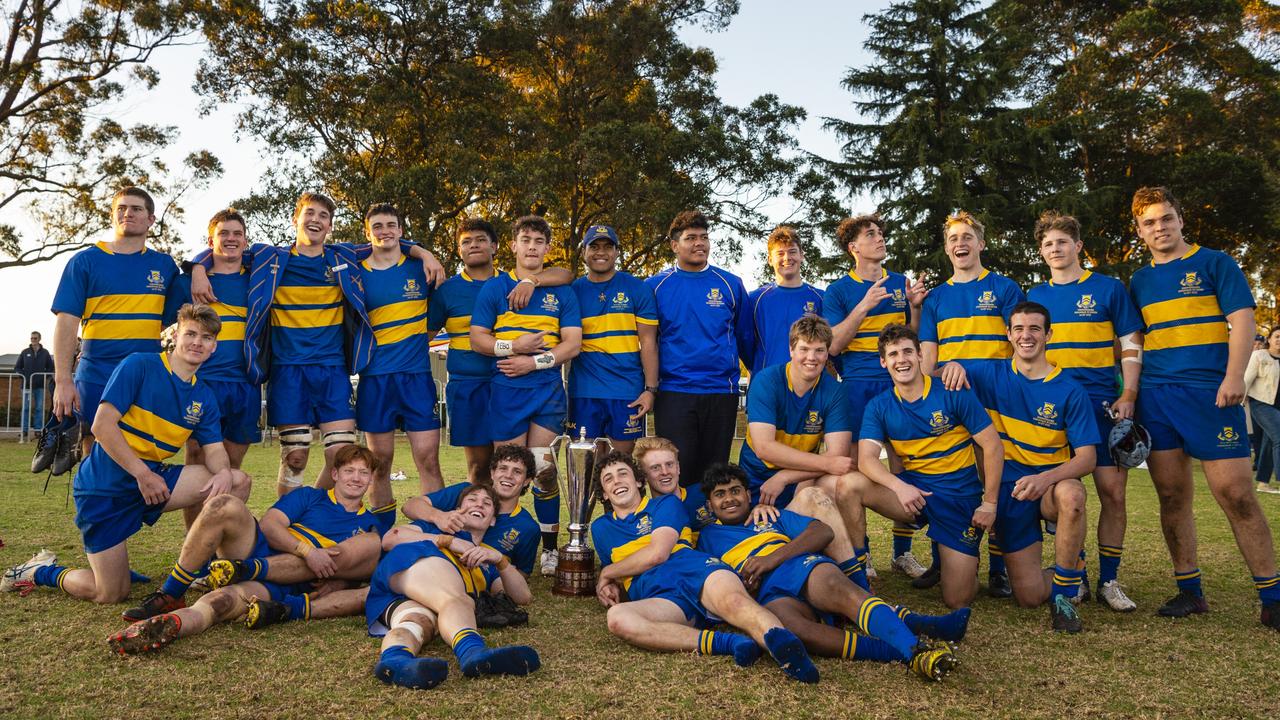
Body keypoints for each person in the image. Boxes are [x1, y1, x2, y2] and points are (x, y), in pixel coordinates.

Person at [188, 191, 444, 498]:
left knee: (342, 455)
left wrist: (424, 252)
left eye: (324, 216)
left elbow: (385, 242)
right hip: (288, 372)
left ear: (330, 226)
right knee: (295, 458)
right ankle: (288, 517)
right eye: (310, 214)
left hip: (332, 371)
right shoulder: (270, 258)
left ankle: (310, 509)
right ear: (296, 219)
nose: (316, 220)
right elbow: (224, 250)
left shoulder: (343, 258)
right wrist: (197, 268)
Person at [2, 304, 251, 604]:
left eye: (207, 337)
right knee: (109, 593)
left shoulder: (204, 397)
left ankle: (215, 570)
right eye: (191, 334)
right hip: (104, 487)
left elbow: (213, 451)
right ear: (175, 336)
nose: (198, 342)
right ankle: (42, 571)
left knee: (236, 481)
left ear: (214, 347)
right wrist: (142, 475)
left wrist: (223, 470)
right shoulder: (140, 366)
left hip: (152, 480)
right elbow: (102, 426)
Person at [1128, 187, 1280, 629]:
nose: (1160, 227)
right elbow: (1136, 339)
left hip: (1212, 394)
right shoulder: (1139, 280)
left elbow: (1243, 321)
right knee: (1172, 495)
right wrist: (1134, 393)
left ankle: (1271, 596)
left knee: (1236, 493)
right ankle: (1190, 591)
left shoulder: (1215, 262)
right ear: (1140, 231)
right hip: (1158, 396)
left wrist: (1235, 377)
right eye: (1150, 222)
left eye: (1166, 218)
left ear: (1180, 218)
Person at [106, 445, 394, 652]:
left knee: (221, 602)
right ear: (335, 474)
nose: (356, 478)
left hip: (289, 585)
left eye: (363, 473)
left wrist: (338, 580)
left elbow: (361, 567)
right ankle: (170, 592)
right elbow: (270, 525)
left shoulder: (370, 525)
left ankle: (172, 623)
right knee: (223, 505)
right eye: (349, 471)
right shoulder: (310, 496)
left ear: (371, 479)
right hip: (259, 551)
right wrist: (307, 551)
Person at [696, 463, 964, 681]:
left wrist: (771, 558)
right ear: (709, 505)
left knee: (836, 586)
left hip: (799, 566)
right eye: (720, 494)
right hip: (768, 593)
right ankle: (894, 649)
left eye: (735, 490)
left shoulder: (768, 516)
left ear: (747, 494)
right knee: (794, 629)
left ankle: (914, 651)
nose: (730, 498)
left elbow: (822, 531)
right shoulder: (706, 537)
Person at [589, 451, 819, 683]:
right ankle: (729, 643)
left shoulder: (664, 504)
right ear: (605, 494)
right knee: (617, 618)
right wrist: (610, 585)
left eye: (623, 474)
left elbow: (657, 554)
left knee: (736, 603)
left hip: (696, 571)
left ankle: (786, 649)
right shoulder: (600, 528)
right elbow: (618, 573)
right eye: (608, 479)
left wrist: (606, 573)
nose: (617, 481)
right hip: (660, 596)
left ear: (638, 481)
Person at [954, 302, 1099, 633]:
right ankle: (1073, 567)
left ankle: (1064, 597)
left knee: (1072, 495)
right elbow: (941, 369)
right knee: (1029, 596)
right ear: (1008, 334)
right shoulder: (990, 373)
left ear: (1048, 334)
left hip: (1049, 485)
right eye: (1018, 329)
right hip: (1009, 490)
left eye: (1034, 328)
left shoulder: (1070, 389)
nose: (1026, 335)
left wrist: (1044, 478)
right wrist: (953, 367)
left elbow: (1087, 458)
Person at [1026, 211, 1145, 611]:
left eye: (1062, 242)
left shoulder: (1109, 289)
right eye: (1047, 244)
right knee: (1064, 494)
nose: (1055, 249)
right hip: (1053, 409)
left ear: (1078, 246)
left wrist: (1128, 391)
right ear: (1041, 253)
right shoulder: (1035, 296)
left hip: (1102, 405)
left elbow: (1130, 343)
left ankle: (1109, 581)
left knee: (1112, 493)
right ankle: (1072, 575)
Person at [855, 324, 1002, 609]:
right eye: (893, 354)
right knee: (848, 485)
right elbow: (865, 459)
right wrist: (900, 486)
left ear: (920, 354)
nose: (902, 360)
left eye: (908, 351)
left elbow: (992, 445)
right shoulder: (879, 405)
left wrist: (990, 503)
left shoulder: (952, 391)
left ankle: (959, 559)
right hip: (915, 493)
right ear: (884, 361)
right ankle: (857, 572)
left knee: (958, 599)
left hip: (958, 496)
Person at [917, 210, 1024, 597]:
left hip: (997, 398)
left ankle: (999, 568)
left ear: (981, 243)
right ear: (946, 249)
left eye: (967, 237)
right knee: (947, 477)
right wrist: (944, 372)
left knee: (994, 479)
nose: (959, 244)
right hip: (951, 400)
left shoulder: (1004, 288)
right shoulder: (937, 298)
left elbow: (1023, 343)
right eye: (952, 239)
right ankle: (943, 558)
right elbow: (928, 357)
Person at [470, 215, 582, 576]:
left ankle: (549, 549)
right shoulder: (494, 287)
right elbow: (478, 339)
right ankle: (498, 544)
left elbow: (573, 344)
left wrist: (534, 363)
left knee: (545, 471)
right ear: (513, 246)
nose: (532, 246)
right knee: (508, 474)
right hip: (506, 392)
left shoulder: (562, 291)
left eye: (539, 241)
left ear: (547, 248)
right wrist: (511, 346)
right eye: (525, 240)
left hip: (546, 391)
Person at [822, 214, 930, 579]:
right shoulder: (837, 290)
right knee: (854, 472)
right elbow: (834, 344)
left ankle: (903, 553)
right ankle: (861, 554)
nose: (880, 238)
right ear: (854, 248)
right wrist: (864, 305)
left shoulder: (902, 283)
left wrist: (914, 306)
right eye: (871, 234)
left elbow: (911, 338)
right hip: (856, 386)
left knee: (905, 464)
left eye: (881, 233)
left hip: (898, 386)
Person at [429, 219, 573, 487]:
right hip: (470, 385)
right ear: (458, 249)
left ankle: (526, 524)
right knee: (482, 467)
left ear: (496, 246)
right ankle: (487, 522)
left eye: (481, 240)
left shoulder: (514, 282)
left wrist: (531, 280)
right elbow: (427, 338)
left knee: (532, 467)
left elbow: (566, 274)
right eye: (466, 241)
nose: (474, 245)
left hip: (511, 382)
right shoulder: (448, 290)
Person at [738, 316, 879, 587]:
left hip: (798, 480)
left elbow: (838, 457)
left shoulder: (834, 390)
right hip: (757, 482)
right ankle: (842, 574)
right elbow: (765, 448)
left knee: (838, 483)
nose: (811, 358)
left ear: (828, 353)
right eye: (804, 349)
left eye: (819, 350)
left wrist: (786, 476)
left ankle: (858, 563)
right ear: (791, 349)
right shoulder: (768, 380)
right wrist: (784, 475)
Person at [50, 187, 181, 461]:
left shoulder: (165, 266)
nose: (127, 213)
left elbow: (167, 317)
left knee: (141, 449)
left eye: (136, 209)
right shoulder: (85, 262)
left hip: (146, 373)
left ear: (151, 220)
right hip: (96, 370)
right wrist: (63, 379)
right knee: (93, 451)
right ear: (112, 215)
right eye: (121, 208)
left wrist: (200, 270)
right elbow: (66, 322)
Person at [366, 484, 539, 690]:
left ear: (492, 520)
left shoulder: (484, 560)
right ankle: (473, 652)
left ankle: (395, 660)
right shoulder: (433, 528)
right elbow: (391, 538)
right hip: (408, 567)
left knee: (417, 621)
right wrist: (448, 541)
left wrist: (501, 561)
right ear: (457, 510)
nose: (479, 504)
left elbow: (522, 597)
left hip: (407, 600)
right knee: (457, 599)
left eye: (487, 503)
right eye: (472, 499)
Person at [646, 210, 754, 490]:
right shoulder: (655, 287)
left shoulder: (730, 284)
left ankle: (709, 533)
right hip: (674, 392)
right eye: (691, 238)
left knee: (715, 471)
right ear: (674, 245)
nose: (699, 243)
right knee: (676, 469)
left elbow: (744, 338)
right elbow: (646, 341)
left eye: (704, 237)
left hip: (721, 391)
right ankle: (677, 531)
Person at [356, 203, 443, 495]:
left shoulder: (422, 268)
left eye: (391, 225)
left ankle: (434, 533)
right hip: (375, 378)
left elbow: (438, 316)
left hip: (416, 377)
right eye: (377, 226)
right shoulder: (356, 272)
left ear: (401, 231)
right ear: (367, 233)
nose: (385, 231)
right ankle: (380, 532)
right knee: (379, 463)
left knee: (429, 460)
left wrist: (424, 253)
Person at [165, 209, 261, 471]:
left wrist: (197, 264)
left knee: (230, 466)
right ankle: (198, 516)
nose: (231, 239)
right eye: (223, 233)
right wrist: (197, 268)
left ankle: (223, 514)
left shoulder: (259, 278)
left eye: (237, 234)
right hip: (201, 381)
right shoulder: (188, 283)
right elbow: (157, 324)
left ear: (245, 240)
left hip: (245, 384)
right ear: (210, 242)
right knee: (197, 461)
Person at [568, 224, 659, 454]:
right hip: (584, 391)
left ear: (617, 252)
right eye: (594, 246)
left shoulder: (638, 288)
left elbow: (648, 343)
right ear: (584, 252)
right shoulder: (572, 291)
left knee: (621, 463)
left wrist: (650, 389)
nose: (601, 252)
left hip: (626, 392)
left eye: (608, 247)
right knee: (586, 467)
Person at [402, 444, 541, 577]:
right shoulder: (467, 492)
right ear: (492, 473)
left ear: (527, 480)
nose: (508, 476)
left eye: (517, 472)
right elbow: (409, 506)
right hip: (426, 567)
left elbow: (522, 574)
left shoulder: (527, 528)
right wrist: (438, 517)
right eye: (503, 468)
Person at [746, 226, 824, 373]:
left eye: (792, 252)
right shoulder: (754, 299)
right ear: (770, 259)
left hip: (809, 383)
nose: (787, 258)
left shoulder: (820, 297)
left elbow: (829, 346)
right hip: (768, 382)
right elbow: (745, 343)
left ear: (802, 255)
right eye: (780, 253)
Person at [633, 436, 715, 538]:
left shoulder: (705, 492)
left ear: (678, 467)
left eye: (669, 464)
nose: (665, 472)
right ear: (644, 476)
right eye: (655, 468)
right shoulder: (643, 517)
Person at [1245, 328, 1280, 495]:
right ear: (1270, 339)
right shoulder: (1259, 356)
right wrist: (1238, 401)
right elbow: (1246, 379)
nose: (1279, 340)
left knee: (1269, 442)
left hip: (1278, 408)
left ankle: (1263, 483)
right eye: (1277, 336)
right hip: (1261, 404)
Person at [15, 330, 54, 438]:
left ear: (39, 339)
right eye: (31, 338)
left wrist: (44, 376)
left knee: (39, 408)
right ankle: (24, 430)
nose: (33, 340)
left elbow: (50, 368)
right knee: (26, 408)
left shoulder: (45, 353)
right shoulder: (25, 352)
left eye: (35, 338)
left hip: (40, 386)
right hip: (26, 386)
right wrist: (25, 376)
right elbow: (17, 368)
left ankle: (37, 430)